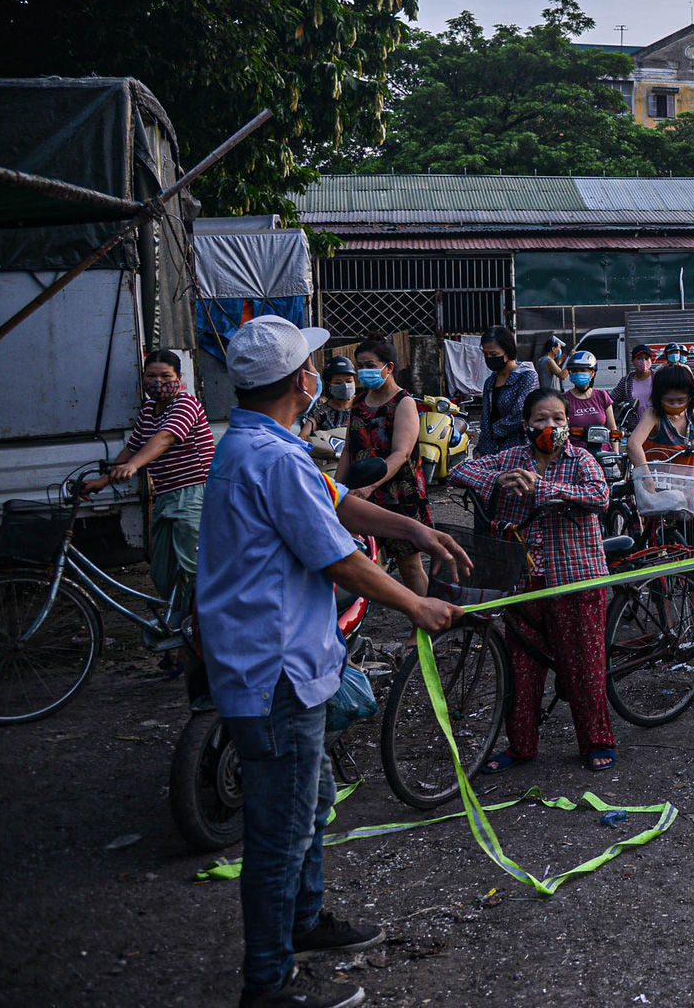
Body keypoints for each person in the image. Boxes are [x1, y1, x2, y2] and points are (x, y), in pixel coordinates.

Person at [197, 315, 465, 1008]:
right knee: (280, 832)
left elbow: (336, 501)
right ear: (300, 381)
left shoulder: (258, 442)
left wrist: (413, 527)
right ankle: (267, 984)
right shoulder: (276, 457)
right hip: (274, 672)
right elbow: (339, 557)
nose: (326, 375)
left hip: (283, 665)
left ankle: (306, 919)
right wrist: (415, 604)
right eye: (315, 366)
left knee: (310, 802)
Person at [451, 388, 619, 773]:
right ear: (527, 424)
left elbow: (599, 496)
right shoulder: (511, 457)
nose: (550, 426)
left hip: (575, 579)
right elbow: (461, 470)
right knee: (520, 667)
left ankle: (597, 742)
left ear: (568, 423)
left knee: (584, 667)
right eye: (541, 419)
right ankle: (521, 746)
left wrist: (544, 488)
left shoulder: (581, 459)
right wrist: (497, 480)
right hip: (523, 580)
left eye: (558, 419)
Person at [80, 348, 213, 640]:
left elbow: (164, 438)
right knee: (162, 571)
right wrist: (103, 480)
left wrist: (133, 466)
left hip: (195, 493)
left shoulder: (186, 404)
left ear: (179, 379)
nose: (158, 381)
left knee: (196, 568)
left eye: (166, 375)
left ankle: (213, 627)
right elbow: (135, 444)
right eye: (151, 376)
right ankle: (183, 620)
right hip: (167, 496)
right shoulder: (148, 411)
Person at [337, 335, 435, 596]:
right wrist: (336, 490)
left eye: (370, 365)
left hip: (397, 494)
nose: (364, 371)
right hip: (360, 494)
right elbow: (349, 449)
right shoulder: (358, 402)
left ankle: (421, 625)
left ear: (388, 367)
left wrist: (370, 486)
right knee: (361, 561)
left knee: (409, 565)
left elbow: (401, 453)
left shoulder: (404, 403)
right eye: (360, 365)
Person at [628, 363, 694, 552]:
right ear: (659, 397)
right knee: (662, 545)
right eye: (670, 400)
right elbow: (633, 444)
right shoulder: (653, 415)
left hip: (691, 489)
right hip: (661, 489)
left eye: (681, 400)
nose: (676, 405)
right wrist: (647, 480)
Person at [477, 325, 538, 457]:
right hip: (491, 450)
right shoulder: (490, 382)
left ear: (508, 351)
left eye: (494, 354)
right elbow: (486, 417)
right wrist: (480, 448)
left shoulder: (526, 377)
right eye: (486, 354)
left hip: (519, 449)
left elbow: (519, 415)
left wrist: (492, 431)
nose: (489, 358)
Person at [560, 350, 618, 457]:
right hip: (576, 456)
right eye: (575, 371)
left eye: (583, 370)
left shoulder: (602, 395)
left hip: (604, 454)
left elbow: (612, 428)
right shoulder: (564, 400)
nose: (579, 373)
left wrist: (616, 455)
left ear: (592, 373)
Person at [302, 355, 357, 438]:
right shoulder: (319, 412)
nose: (345, 386)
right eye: (338, 383)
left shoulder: (363, 405)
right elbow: (303, 436)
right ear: (329, 385)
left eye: (349, 381)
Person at [610, 344, 656, 417]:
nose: (643, 362)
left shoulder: (658, 377)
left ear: (651, 361)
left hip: (657, 425)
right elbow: (611, 400)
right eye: (639, 358)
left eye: (646, 358)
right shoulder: (626, 382)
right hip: (635, 427)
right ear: (633, 361)